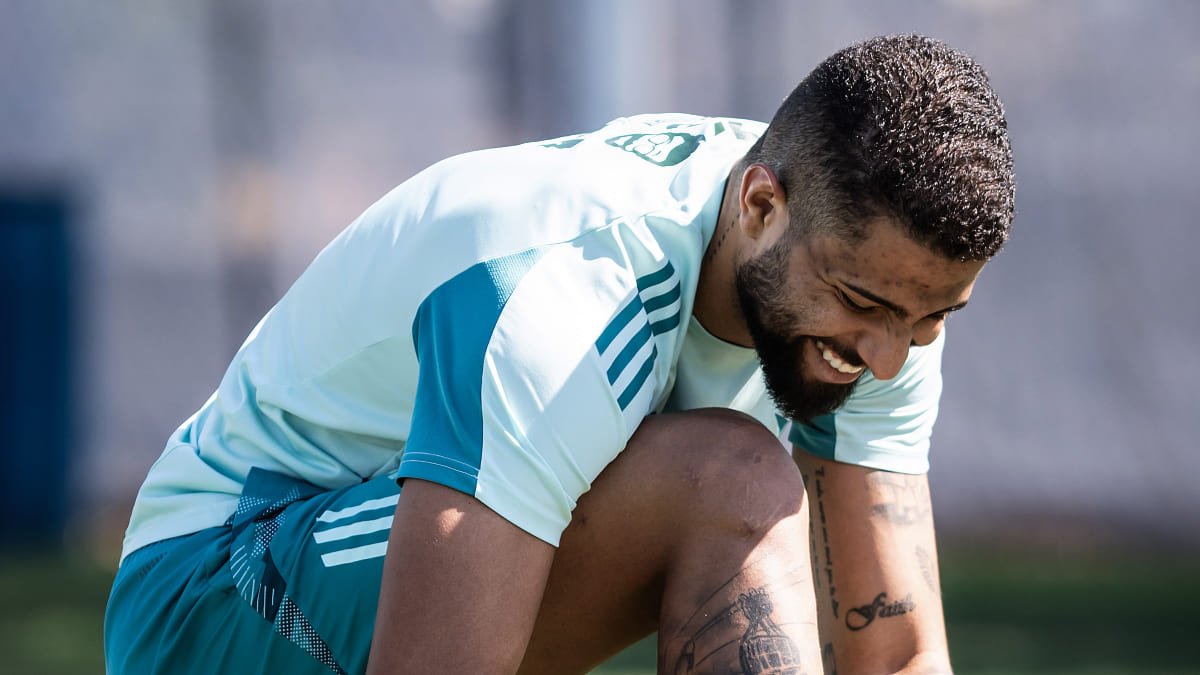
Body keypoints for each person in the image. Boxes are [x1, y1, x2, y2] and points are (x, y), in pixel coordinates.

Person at [104, 34, 1014, 674]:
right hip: (210, 593)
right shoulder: (563, 292)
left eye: (934, 316)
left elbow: (897, 652)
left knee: (730, 478)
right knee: (731, 482)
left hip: (389, 563)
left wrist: (891, 313)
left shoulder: (882, 288)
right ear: (760, 206)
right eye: (864, 304)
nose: (891, 356)